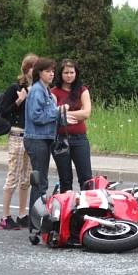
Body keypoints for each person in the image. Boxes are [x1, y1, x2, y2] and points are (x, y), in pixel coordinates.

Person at [24, 57, 68, 231]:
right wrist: (57, 113)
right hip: (36, 139)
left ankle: (36, 219)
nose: (51, 74)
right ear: (39, 73)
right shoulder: (37, 91)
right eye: (48, 71)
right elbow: (36, 116)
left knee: (41, 179)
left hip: (43, 138)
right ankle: (36, 221)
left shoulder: (46, 90)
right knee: (39, 181)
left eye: (52, 71)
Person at [0, 53, 38, 230]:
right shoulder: (15, 88)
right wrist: (19, 100)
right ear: (26, 69)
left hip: (31, 136)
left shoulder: (37, 89)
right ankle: (5, 216)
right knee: (13, 175)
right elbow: (3, 111)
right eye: (33, 67)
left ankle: (22, 214)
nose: (36, 71)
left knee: (27, 178)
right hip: (16, 135)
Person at [50, 59, 92, 192]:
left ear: (76, 73)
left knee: (86, 177)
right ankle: (65, 208)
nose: (69, 75)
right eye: (66, 72)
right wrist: (65, 115)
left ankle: (88, 207)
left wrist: (65, 114)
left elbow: (86, 113)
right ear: (61, 74)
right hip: (60, 140)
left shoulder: (82, 90)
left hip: (80, 139)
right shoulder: (54, 92)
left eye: (72, 72)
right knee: (65, 178)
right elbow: (53, 114)